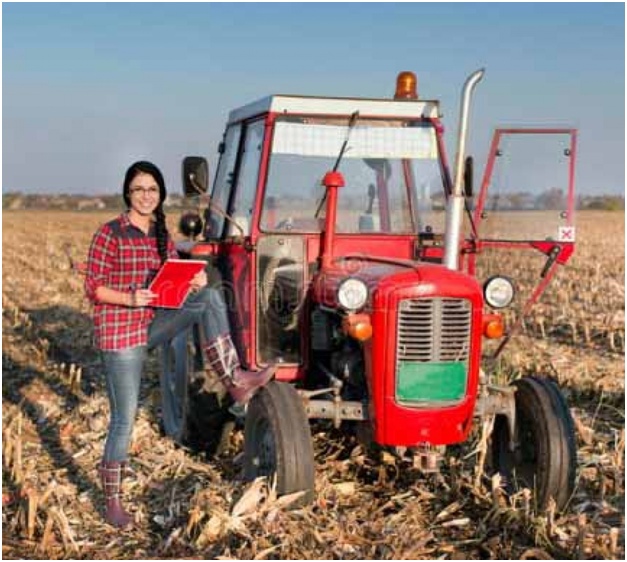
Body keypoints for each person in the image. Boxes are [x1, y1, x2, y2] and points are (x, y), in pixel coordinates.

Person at [84, 160, 275, 528]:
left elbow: (172, 276)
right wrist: (130, 298)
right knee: (124, 419)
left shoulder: (160, 234)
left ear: (160, 195)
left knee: (210, 297)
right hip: (121, 332)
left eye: (152, 190)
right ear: (128, 193)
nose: (145, 196)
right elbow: (94, 287)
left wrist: (193, 281)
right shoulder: (110, 233)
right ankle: (113, 502)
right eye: (139, 189)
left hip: (152, 324)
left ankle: (234, 378)